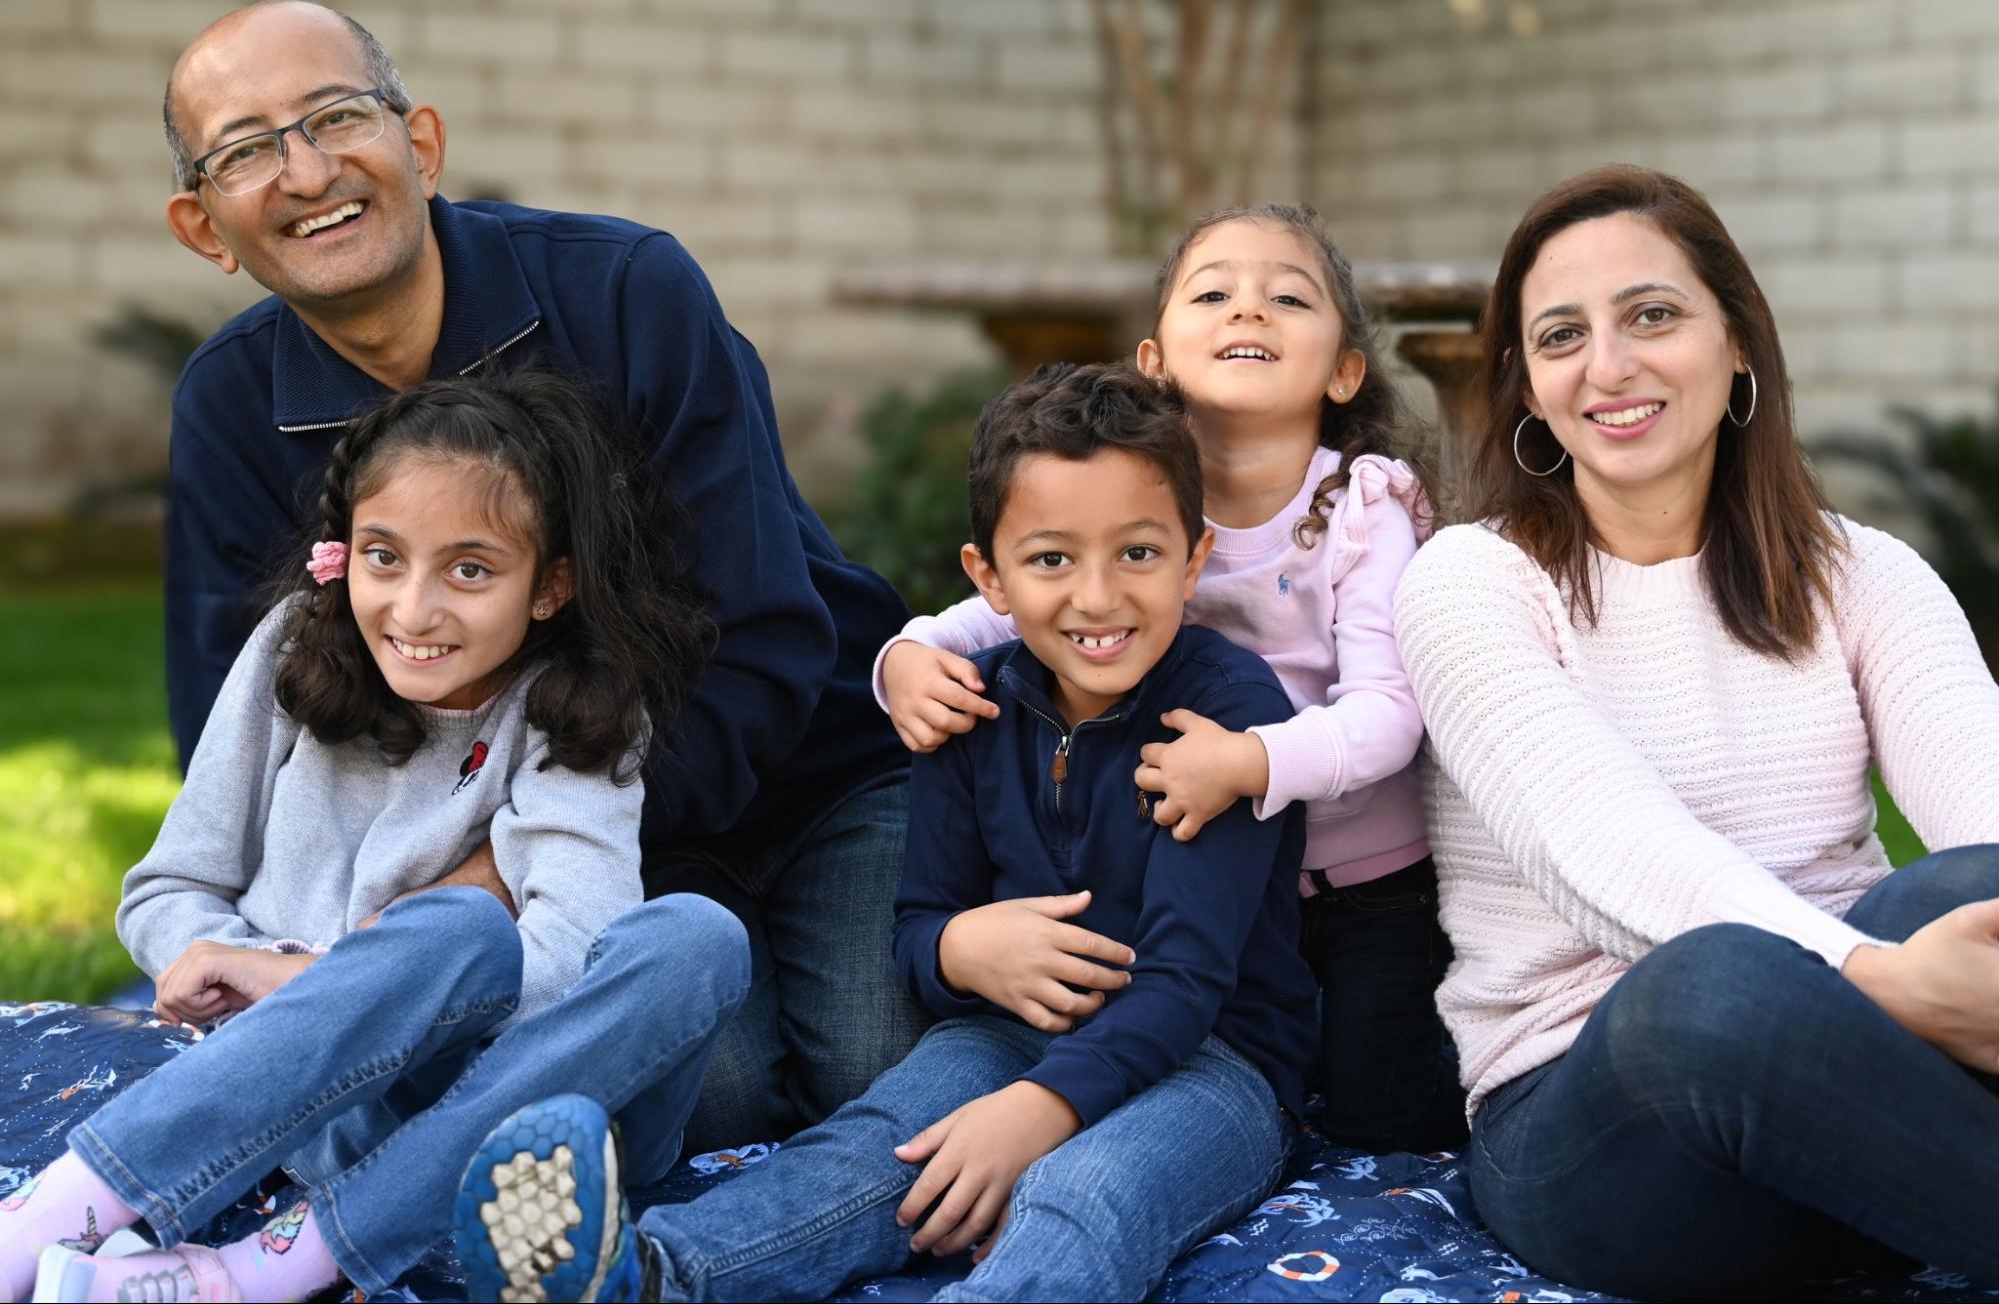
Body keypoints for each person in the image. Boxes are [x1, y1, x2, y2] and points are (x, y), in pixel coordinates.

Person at [157, 0, 922, 1150]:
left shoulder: (627, 293)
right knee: (705, 1094)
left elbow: (763, 639)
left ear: (420, 144)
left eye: (334, 117)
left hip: (808, 774)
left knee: (877, 1064)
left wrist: (487, 886)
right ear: (204, 225)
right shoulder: (229, 408)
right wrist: (359, 938)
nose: (306, 171)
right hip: (570, 847)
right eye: (246, 149)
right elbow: (242, 738)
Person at [451, 362, 1319, 1303]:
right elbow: (914, 933)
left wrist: (1040, 1112)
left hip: (1216, 1062)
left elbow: (1188, 978)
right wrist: (957, 946)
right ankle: (650, 1276)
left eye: (1138, 554)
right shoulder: (961, 707)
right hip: (1011, 1033)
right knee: (876, 1145)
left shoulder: (1224, 720)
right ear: (987, 576)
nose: (1098, 597)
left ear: (1194, 558)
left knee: (1082, 1191)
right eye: (1052, 559)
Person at [0, 369, 746, 1304]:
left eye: (469, 570)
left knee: (698, 938)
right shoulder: (293, 647)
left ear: (550, 586)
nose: (413, 609)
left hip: (520, 1126)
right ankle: (51, 1220)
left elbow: (573, 959)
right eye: (383, 557)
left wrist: (315, 973)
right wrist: (270, 978)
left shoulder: (577, 712)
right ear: (341, 551)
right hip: (308, 1090)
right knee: (461, 929)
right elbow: (166, 890)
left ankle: (268, 1269)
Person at [1392, 164, 1999, 1299]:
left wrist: (1913, 965)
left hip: (1868, 1116)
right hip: (1608, 1128)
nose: (1608, 367)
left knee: (1961, 889)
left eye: (1652, 316)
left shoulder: (1863, 573)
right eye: (1561, 335)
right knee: (1712, 986)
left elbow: (1984, 790)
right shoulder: (1470, 584)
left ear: (1737, 345)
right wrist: (1879, 979)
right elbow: (1601, 849)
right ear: (1524, 387)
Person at [877, 204, 1462, 1152]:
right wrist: (904, 655)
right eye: (1215, 293)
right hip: (1194, 864)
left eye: (1286, 297)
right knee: (1185, 1037)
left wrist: (1248, 762)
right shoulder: (1130, 498)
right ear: (1154, 359)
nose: (1249, 312)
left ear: (1345, 368)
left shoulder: (1357, 507)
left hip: (1355, 882)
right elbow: (1008, 600)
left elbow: (1390, 716)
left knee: (1374, 1111)